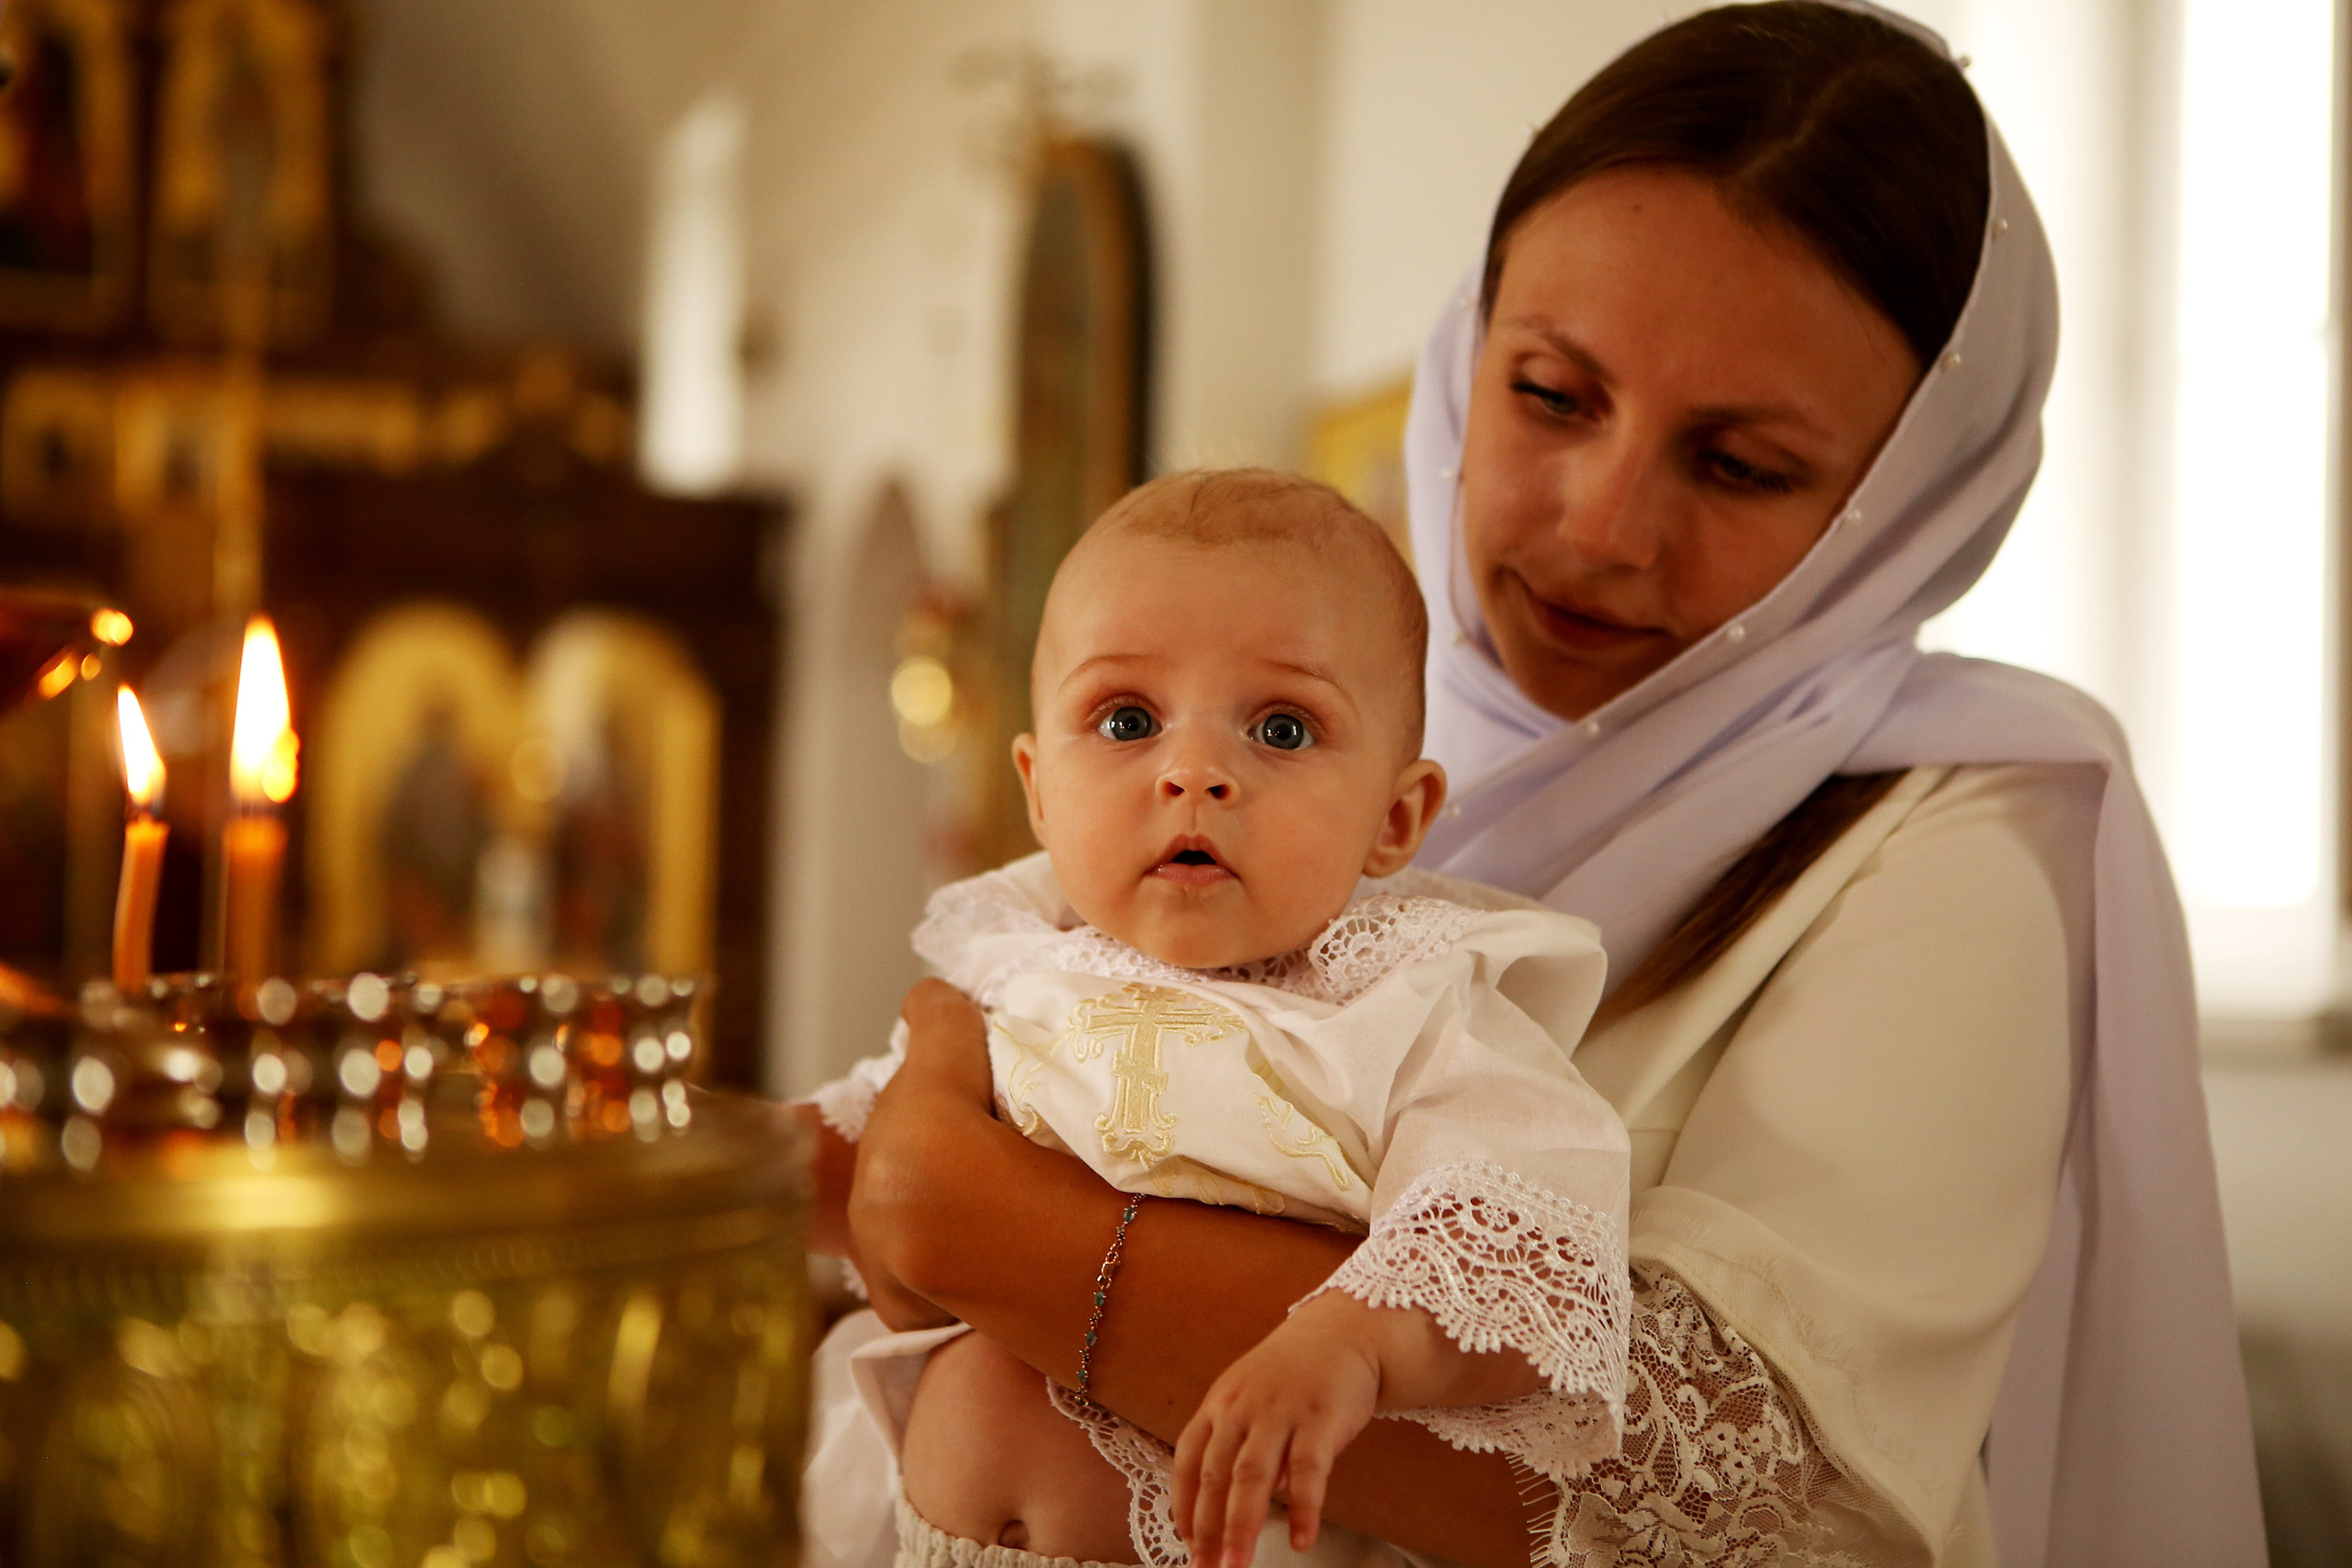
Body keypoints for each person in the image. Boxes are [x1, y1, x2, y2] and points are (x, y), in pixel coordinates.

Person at [823, 4, 2269, 1565]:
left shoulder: (1956, 845)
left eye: (1740, 463)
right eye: (1554, 396)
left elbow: (1740, 1503)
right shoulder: (1301, 722)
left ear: (1902, 512)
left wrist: (992, 1234)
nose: (1599, 527)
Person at [806, 469, 1636, 1568]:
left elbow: (1520, 1237)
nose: (1194, 772)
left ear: (1395, 818)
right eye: (1127, 720)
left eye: (1282, 729)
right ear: (1039, 790)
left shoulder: (1406, 1001)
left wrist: (1354, 1344)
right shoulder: (1022, 963)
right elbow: (861, 1134)